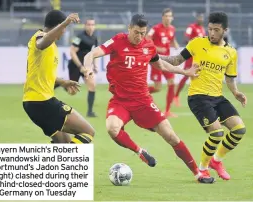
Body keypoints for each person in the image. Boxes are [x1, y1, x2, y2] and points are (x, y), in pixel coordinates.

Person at [83, 14, 214, 183]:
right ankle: (140, 152)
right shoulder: (117, 41)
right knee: (112, 128)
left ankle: (198, 173)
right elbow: (91, 54)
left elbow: (160, 65)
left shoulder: (148, 46)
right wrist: (87, 69)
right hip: (120, 101)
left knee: (171, 137)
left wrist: (185, 72)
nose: (139, 37)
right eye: (136, 32)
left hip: (143, 101)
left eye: (143, 33)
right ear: (129, 28)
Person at [160, 12, 247, 180]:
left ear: (225, 30)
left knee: (239, 129)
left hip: (218, 97)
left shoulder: (231, 52)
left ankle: (217, 161)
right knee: (217, 133)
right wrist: (154, 56)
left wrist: (236, 92)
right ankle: (203, 168)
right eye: (210, 29)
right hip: (198, 97)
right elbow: (176, 60)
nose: (212, 33)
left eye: (216, 30)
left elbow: (229, 78)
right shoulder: (198, 43)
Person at [23, 10, 95, 144]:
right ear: (57, 26)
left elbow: (41, 74)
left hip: (33, 103)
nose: (64, 31)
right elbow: (42, 42)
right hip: (42, 102)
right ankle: (69, 164)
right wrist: (65, 22)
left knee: (64, 144)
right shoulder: (40, 36)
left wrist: (62, 82)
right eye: (63, 28)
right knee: (88, 131)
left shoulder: (51, 46)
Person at [146, 8, 180, 117]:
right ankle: (139, 92)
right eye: (166, 16)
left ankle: (168, 111)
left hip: (167, 60)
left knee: (172, 83)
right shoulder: (155, 28)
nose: (168, 18)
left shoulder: (172, 29)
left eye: (170, 16)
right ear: (163, 17)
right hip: (156, 60)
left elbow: (172, 39)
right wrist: (156, 48)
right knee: (157, 88)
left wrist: (175, 44)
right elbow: (146, 39)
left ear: (172, 18)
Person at [174, 12, 206, 106]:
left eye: (202, 18)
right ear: (197, 18)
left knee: (199, 75)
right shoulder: (192, 27)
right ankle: (176, 96)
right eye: (199, 17)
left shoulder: (202, 29)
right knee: (186, 75)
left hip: (199, 56)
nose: (201, 19)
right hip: (191, 55)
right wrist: (193, 46)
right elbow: (186, 37)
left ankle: (199, 97)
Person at [68, 18, 98, 117]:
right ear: (85, 26)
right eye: (89, 24)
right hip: (75, 66)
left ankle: (90, 112)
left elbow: (94, 53)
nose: (91, 26)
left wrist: (95, 65)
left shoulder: (94, 38)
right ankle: (60, 83)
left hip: (86, 67)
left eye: (92, 24)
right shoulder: (79, 37)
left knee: (92, 85)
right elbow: (72, 52)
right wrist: (80, 66)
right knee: (72, 91)